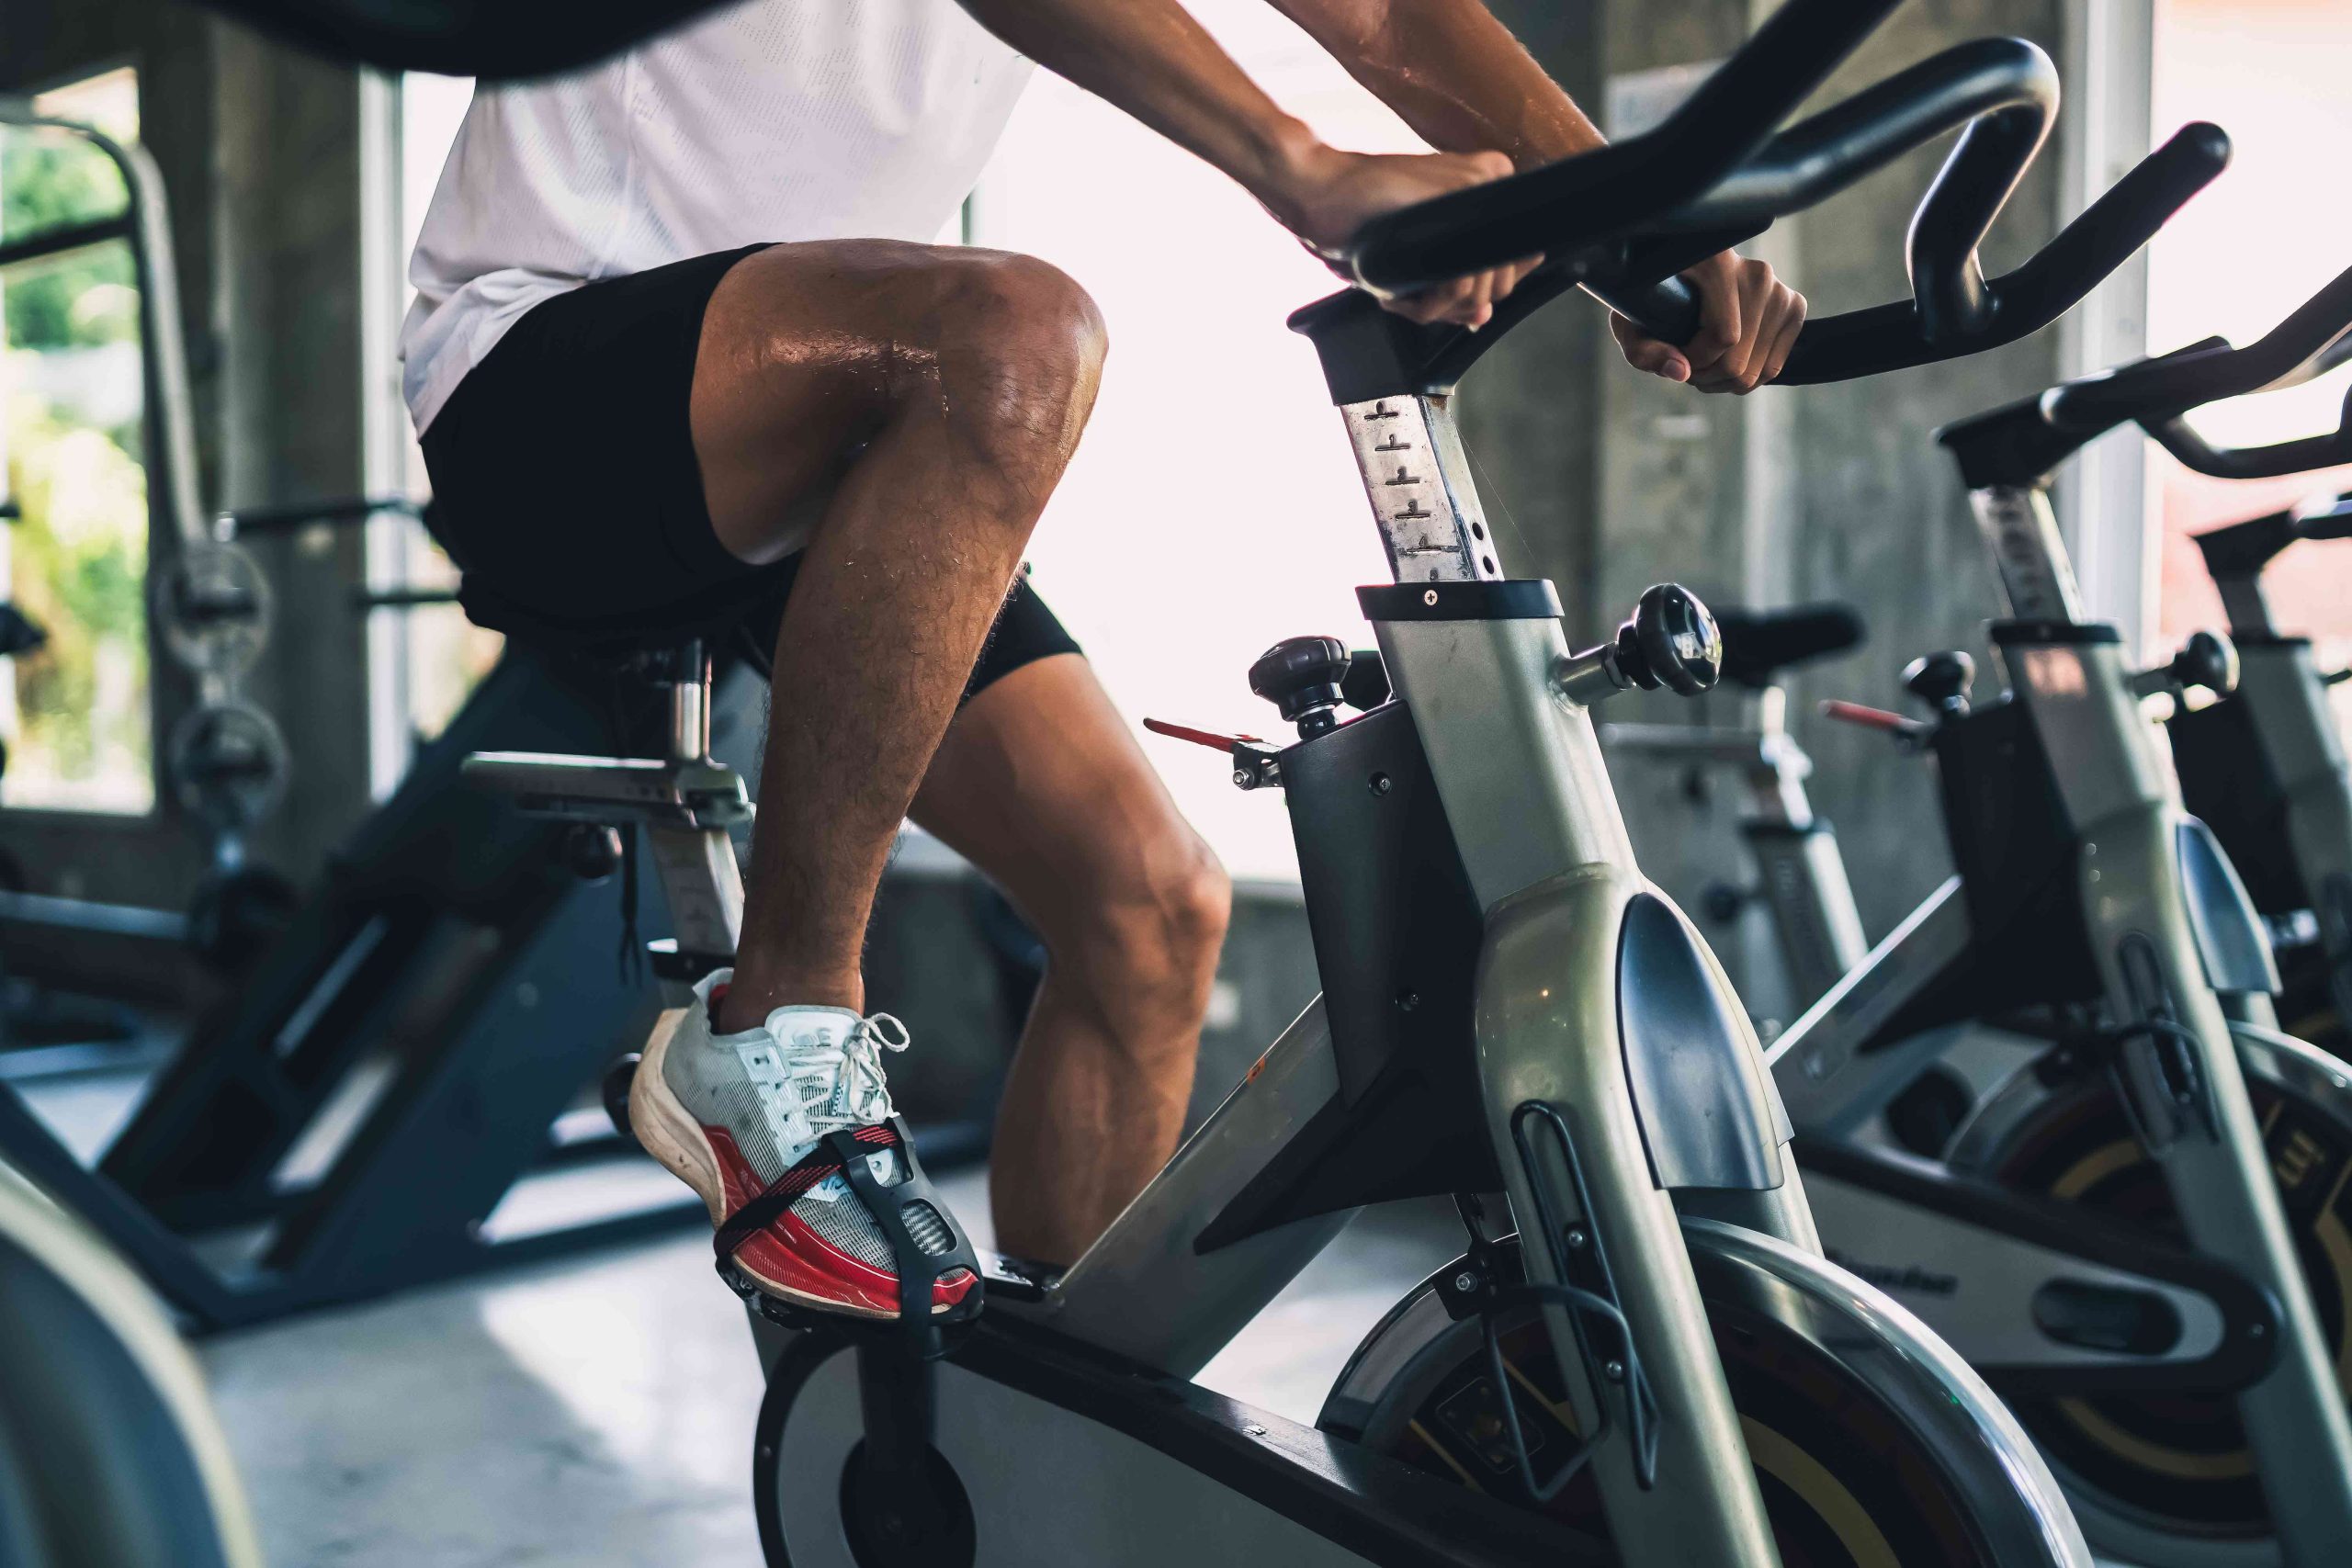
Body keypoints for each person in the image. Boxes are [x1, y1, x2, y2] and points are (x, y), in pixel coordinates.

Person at [401, 0, 1806, 1320]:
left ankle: (1056, 1434)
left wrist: (1642, 229)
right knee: (1015, 336)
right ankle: (771, 1031)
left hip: (836, 426)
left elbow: (1379, 14)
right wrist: (1299, 164)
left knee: (1151, 910)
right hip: (543, 376)